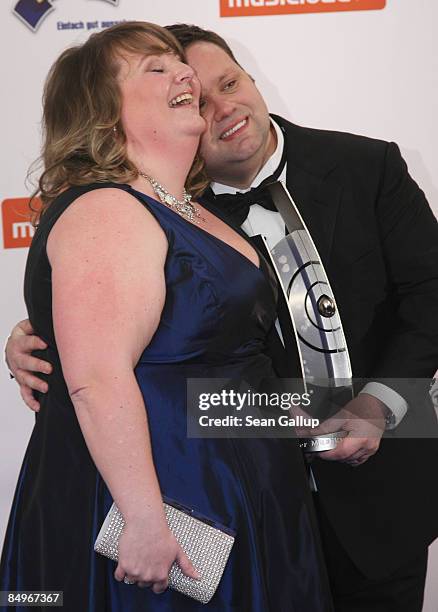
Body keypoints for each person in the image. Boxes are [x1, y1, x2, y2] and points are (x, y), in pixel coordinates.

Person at [7, 22, 438, 612]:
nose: (216, 104)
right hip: (204, 500)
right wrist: (45, 340)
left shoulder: (367, 166)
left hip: (359, 497)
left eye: (226, 83)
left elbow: (431, 297)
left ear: (252, 78)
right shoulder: (145, 202)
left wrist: (380, 402)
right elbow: (117, 363)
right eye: (185, 88)